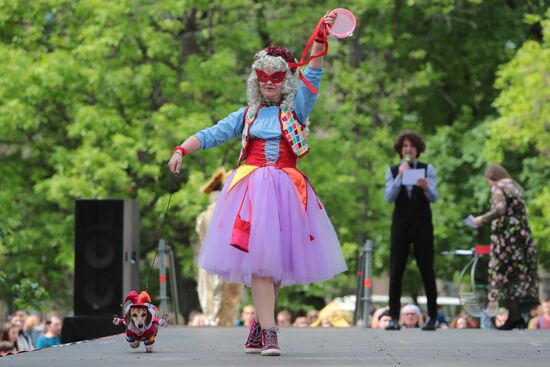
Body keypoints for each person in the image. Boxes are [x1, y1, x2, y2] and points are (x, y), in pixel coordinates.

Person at [167, 11, 347, 356]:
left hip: (287, 193)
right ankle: (271, 333)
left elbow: (314, 72)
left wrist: (322, 37)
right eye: (263, 76)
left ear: (285, 80)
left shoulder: (296, 111)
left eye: (276, 77)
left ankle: (256, 327)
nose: (269, 82)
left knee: (274, 268)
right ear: (255, 79)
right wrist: (181, 150)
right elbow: (212, 133)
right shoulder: (246, 115)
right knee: (264, 266)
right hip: (251, 193)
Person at [472, 164, 539, 330]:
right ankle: (515, 317)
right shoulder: (515, 187)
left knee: (502, 275)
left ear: (492, 178)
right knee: (514, 276)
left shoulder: (497, 187)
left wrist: (481, 219)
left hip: (506, 239)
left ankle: (513, 316)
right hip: (521, 237)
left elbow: (500, 209)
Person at [384, 130, 439, 331]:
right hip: (401, 225)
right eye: (405, 146)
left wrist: (426, 186)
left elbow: (434, 197)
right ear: (400, 150)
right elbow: (388, 197)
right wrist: (399, 176)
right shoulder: (392, 170)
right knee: (396, 270)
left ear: (418, 149)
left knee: (427, 270)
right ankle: (393, 318)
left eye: (412, 146)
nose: (409, 149)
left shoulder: (427, 169)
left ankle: (432, 317)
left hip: (423, 225)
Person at [195, 168, 244, 326]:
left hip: (212, 262)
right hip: (228, 262)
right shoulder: (230, 213)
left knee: (216, 302)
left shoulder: (205, 216)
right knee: (225, 303)